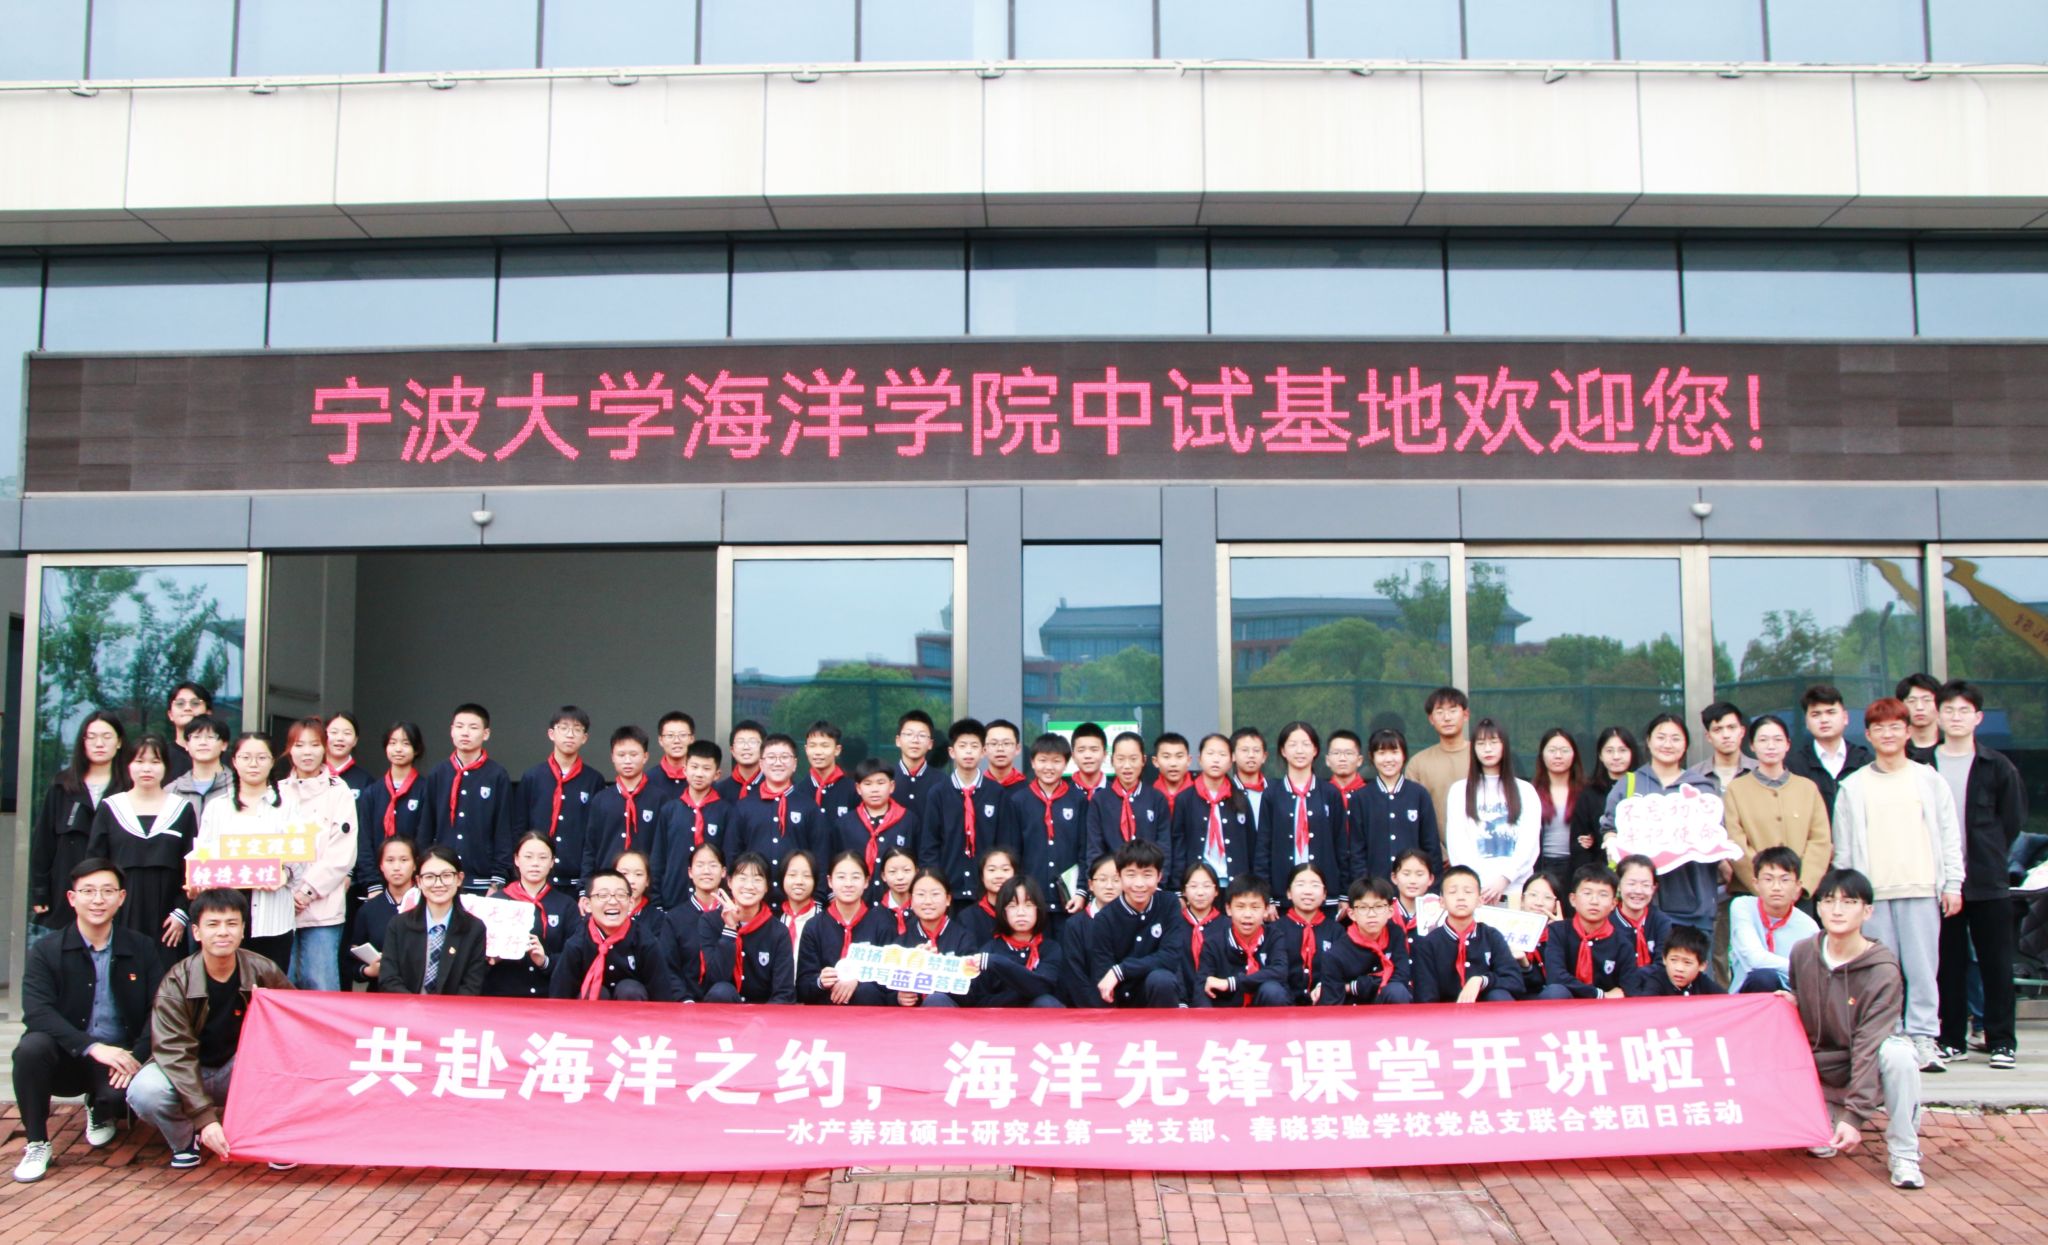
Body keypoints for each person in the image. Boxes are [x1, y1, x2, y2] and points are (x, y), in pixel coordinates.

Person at [13, 859, 167, 1183]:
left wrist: (136, 1057)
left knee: (119, 1096)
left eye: (107, 891)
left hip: (118, 1056)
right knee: (30, 1049)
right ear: (72, 898)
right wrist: (92, 1047)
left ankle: (100, 1107)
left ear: (121, 898)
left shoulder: (141, 947)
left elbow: (159, 1009)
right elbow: (37, 1012)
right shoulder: (46, 950)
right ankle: (37, 1143)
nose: (98, 900)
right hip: (67, 1055)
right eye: (88, 891)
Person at [1832, 697, 1963, 1073]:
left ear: (1908, 732)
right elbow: (1844, 850)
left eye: (1894, 727)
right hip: (1873, 895)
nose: (1887, 734)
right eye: (1879, 728)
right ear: (1868, 735)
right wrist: (1849, 898)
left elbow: (1949, 834)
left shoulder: (1928, 780)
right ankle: (1890, 1037)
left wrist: (1953, 882)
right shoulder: (1853, 786)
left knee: (1923, 969)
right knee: (1880, 971)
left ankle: (1924, 1036)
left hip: (1921, 888)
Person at [125, 888, 293, 1171]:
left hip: (240, 1068)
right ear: (197, 932)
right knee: (145, 1091)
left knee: (287, 1067)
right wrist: (205, 1119)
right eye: (213, 924)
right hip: (191, 1069)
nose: (223, 932)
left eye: (231, 923)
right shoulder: (176, 981)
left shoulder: (263, 970)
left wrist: (263, 1011)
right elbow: (174, 1053)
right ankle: (185, 1139)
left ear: (243, 929)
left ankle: (268, 1137)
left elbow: (292, 1025)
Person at [1790, 867, 1926, 1189]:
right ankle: (1824, 1115)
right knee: (1819, 1144)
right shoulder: (1802, 953)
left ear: (1867, 911)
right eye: (1829, 901)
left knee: (1898, 1054)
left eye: (1849, 902)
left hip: (1865, 1070)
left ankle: (1904, 1153)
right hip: (1820, 1072)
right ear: (1818, 907)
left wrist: (1855, 1116)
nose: (1837, 910)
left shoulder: (1883, 970)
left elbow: (1868, 1044)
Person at [1932, 680, 2026, 1069]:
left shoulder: (1997, 765)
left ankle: (2001, 1040)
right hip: (1940, 882)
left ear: (1978, 718)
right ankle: (1951, 1039)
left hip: (1988, 881)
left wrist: (1987, 856)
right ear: (1938, 716)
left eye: (1964, 710)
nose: (1956, 717)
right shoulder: (1923, 765)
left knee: (1996, 964)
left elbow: (2012, 820)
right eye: (1949, 710)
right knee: (1947, 964)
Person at [1602, 713, 1718, 936]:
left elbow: (1714, 835)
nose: (1667, 744)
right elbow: (1609, 827)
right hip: (1640, 905)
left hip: (1694, 901)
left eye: (1675, 738)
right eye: (1661, 737)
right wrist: (1611, 841)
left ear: (1686, 744)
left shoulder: (1701, 788)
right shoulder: (1629, 784)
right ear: (1648, 740)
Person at [187, 733, 294, 971]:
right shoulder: (217, 807)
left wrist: (284, 873)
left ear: (272, 761)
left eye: (261, 757)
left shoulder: (288, 806)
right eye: (246, 757)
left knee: (268, 983)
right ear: (234, 761)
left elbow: (301, 857)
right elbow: (203, 855)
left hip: (272, 915)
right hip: (224, 914)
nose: (253, 764)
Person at [87, 735, 198, 961]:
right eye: (139, 761)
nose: (147, 768)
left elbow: (191, 869)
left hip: (168, 919)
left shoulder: (182, 809)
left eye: (155, 762)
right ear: (128, 765)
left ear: (165, 766)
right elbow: (95, 865)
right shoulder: (111, 808)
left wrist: (181, 913)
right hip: (120, 912)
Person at [277, 718, 359, 991]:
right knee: (282, 984)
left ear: (324, 748)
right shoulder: (276, 792)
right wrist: (288, 891)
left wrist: (307, 891)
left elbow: (342, 852)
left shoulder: (339, 791)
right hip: (281, 903)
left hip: (323, 905)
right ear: (289, 749)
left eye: (314, 745)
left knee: (321, 983)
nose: (307, 752)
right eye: (299, 745)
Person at [31, 711, 128, 934]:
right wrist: (40, 891)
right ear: (82, 742)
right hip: (64, 893)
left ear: (119, 742)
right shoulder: (62, 786)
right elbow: (43, 843)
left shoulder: (129, 787)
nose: (99, 743)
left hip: (114, 897)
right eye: (91, 737)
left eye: (106, 736)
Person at [1724, 715, 1833, 904]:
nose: (1771, 746)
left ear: (1787, 744)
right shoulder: (1736, 789)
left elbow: (1820, 841)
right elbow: (1736, 841)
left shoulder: (1807, 788)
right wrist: (1764, 884)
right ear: (1752, 745)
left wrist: (1799, 885)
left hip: (1799, 895)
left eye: (1777, 740)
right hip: (1752, 893)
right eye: (1763, 740)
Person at [1444, 718, 1540, 908]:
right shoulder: (1459, 791)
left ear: (1504, 745)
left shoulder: (1525, 790)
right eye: (1481, 743)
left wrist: (1504, 879)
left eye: (1494, 742)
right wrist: (1477, 884)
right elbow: (1457, 844)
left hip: (1516, 891)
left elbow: (1529, 844)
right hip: (1475, 893)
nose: (1487, 749)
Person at [550, 869, 686, 1001]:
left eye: (620, 895)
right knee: (594, 992)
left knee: (629, 990)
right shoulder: (577, 943)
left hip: (636, 1013)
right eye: (603, 895)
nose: (613, 902)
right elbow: (559, 996)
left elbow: (662, 995)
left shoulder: (646, 941)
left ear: (631, 903)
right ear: (587, 904)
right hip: (588, 1015)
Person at [727, 734, 828, 905]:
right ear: (761, 764)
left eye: (784, 757)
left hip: (797, 904)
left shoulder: (809, 807)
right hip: (753, 903)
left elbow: (820, 856)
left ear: (795, 764)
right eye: (771, 757)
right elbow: (732, 853)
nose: (778, 763)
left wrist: (817, 899)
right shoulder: (743, 807)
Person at [421, 703, 512, 893]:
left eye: (473, 727)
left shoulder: (497, 775)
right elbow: (426, 827)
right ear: (451, 731)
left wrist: (498, 879)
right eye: (460, 726)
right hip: (441, 878)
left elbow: (503, 829)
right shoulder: (438, 773)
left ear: (486, 734)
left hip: (482, 878)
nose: (465, 733)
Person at [374, 845, 488, 995]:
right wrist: (414, 1005)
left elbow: (472, 985)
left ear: (459, 879)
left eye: (446, 875)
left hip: (454, 1009)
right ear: (419, 881)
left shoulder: (474, 928)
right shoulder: (398, 925)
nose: (438, 884)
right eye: (429, 877)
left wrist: (442, 1009)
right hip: (406, 1007)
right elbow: (389, 978)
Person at [513, 707, 605, 892]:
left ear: (584, 737)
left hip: (575, 880)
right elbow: (519, 827)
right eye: (564, 728)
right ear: (551, 734)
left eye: (577, 729)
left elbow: (594, 834)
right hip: (536, 878)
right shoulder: (533, 776)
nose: (570, 735)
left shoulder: (593, 780)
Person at [1088, 838, 1182, 1008]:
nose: (1139, 884)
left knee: (1162, 979)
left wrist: (1121, 970)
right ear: (1119, 876)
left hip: (1157, 995)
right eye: (1131, 875)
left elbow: (1170, 957)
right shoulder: (1104, 919)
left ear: (1159, 876)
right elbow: (1104, 974)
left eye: (1147, 874)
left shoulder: (1169, 904)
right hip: (1121, 1001)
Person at [485, 833, 578, 998]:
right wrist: (492, 955)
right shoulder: (497, 901)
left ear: (552, 862)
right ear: (516, 859)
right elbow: (476, 953)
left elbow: (575, 956)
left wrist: (545, 961)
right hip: (502, 994)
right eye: (528, 857)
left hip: (549, 995)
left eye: (543, 857)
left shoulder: (566, 905)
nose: (535, 863)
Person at [797, 852, 897, 1006]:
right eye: (841, 877)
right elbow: (803, 986)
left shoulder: (882, 924)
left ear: (866, 882)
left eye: (855, 877)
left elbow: (891, 980)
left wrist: (859, 980)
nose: (848, 884)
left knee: (866, 991)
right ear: (830, 881)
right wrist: (820, 982)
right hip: (825, 1012)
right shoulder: (814, 926)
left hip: (868, 1010)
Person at [1001, 733, 1088, 911]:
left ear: (1066, 763)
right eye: (1042, 760)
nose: (1049, 767)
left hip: (1069, 899)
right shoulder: (1019, 801)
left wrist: (1081, 890)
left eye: (1056, 761)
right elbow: (1012, 851)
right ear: (1032, 763)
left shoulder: (1078, 800)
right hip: (1030, 899)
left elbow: (1085, 849)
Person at [1412, 866, 1523, 1003]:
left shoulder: (1492, 936)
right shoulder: (1427, 944)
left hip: (1487, 1012)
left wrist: (1482, 981)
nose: (1461, 898)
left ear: (1480, 900)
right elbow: (1425, 997)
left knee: (1498, 995)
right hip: (1444, 1014)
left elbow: (1515, 982)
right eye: (1453, 892)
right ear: (1442, 902)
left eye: (1468, 892)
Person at [921, 718, 1002, 908]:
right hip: (948, 890)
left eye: (974, 746)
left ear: (983, 752)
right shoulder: (938, 793)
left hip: (987, 892)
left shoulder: (996, 793)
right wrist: (934, 886)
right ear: (952, 752)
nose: (968, 752)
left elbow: (1005, 844)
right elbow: (929, 846)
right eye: (962, 746)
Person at [1268, 722, 1348, 909]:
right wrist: (1267, 896)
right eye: (1292, 744)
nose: (1299, 750)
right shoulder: (1272, 794)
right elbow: (1263, 847)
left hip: (1325, 892)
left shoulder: (1330, 793)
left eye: (1306, 744)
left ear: (1315, 750)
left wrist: (1344, 893)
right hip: (1282, 892)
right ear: (1283, 751)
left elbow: (1341, 845)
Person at [703, 853, 797, 1004]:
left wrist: (759, 1017)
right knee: (721, 991)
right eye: (742, 878)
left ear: (767, 887)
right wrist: (729, 929)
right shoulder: (710, 921)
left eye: (757, 879)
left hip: (764, 1015)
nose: (749, 886)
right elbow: (713, 980)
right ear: (729, 882)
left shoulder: (778, 931)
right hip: (724, 1013)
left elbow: (783, 992)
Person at [1352, 727, 1440, 885]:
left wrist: (1432, 888)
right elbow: (1357, 849)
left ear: (1404, 755)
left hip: (1413, 886)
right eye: (1381, 753)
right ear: (1371, 756)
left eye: (1394, 752)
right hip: (1375, 889)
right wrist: (1363, 886)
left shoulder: (1419, 794)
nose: (1388, 759)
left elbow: (1431, 846)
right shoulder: (1361, 797)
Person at [647, 739, 728, 908]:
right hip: (673, 898)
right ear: (685, 770)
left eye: (706, 769)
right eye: (694, 767)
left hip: (714, 903)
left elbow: (730, 857)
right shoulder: (669, 810)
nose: (699, 774)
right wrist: (656, 901)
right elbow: (658, 859)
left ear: (717, 774)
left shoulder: (726, 812)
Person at [1169, 734, 1256, 889]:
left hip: (1236, 884)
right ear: (1200, 759)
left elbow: (1252, 845)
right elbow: (1178, 846)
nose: (1216, 760)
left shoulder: (1241, 798)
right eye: (1210, 753)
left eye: (1222, 754)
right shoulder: (1185, 799)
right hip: (1199, 886)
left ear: (1231, 760)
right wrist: (1178, 887)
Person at [1728, 846, 1819, 993]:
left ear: (1797, 886)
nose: (1776, 887)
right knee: (1763, 977)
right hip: (1747, 993)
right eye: (1768, 879)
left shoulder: (1809, 927)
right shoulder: (1742, 906)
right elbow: (1754, 959)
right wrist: (1796, 967)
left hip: (1790, 995)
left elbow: (1812, 974)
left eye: (1785, 880)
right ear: (1756, 883)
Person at [354, 722, 427, 898]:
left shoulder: (425, 790)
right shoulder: (372, 792)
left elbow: (425, 839)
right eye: (392, 743)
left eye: (406, 743)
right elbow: (364, 840)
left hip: (414, 885)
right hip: (376, 884)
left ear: (416, 749)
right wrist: (372, 884)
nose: (398, 749)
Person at [1538, 865, 1633, 999]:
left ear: (1613, 903)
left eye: (1603, 895)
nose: (1594, 901)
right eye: (1587, 893)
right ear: (1573, 899)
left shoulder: (1623, 941)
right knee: (1555, 992)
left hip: (1608, 1009)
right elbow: (1556, 976)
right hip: (1567, 1005)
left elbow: (1628, 987)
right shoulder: (1558, 931)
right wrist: (1599, 995)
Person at [973, 875, 1067, 1008]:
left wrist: (997, 963)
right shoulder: (989, 950)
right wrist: (1027, 991)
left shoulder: (1050, 949)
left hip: (1040, 1019)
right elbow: (980, 1002)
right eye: (1012, 906)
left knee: (1046, 1002)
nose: (1021, 913)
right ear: (1003, 911)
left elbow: (1042, 987)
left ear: (1038, 909)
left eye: (1028, 905)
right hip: (999, 1019)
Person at [1317, 876, 1413, 1006]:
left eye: (1379, 906)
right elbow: (1332, 1002)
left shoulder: (1396, 934)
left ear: (1390, 911)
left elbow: (1401, 975)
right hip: (1352, 1013)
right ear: (1351, 914)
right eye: (1363, 908)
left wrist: (1353, 987)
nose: (1371, 914)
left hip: (1388, 1008)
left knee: (1397, 990)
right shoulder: (1335, 955)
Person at [1197, 876, 1291, 1008]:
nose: (1247, 914)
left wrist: (1232, 983)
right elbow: (1203, 987)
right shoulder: (1213, 943)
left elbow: (1280, 971)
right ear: (1228, 909)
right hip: (1225, 1016)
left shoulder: (1274, 937)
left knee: (1272, 990)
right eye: (1240, 907)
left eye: (1255, 907)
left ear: (1266, 909)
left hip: (1265, 1012)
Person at [893, 868, 980, 1007]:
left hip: (949, 1014)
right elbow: (886, 987)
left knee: (936, 1000)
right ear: (911, 900)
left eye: (935, 894)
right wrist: (899, 997)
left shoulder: (964, 939)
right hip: (910, 1017)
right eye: (921, 894)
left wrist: (936, 967)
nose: (928, 901)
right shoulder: (902, 943)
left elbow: (972, 992)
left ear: (948, 899)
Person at [582, 725, 658, 880]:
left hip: (644, 884)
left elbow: (661, 851)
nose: (627, 760)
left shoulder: (659, 799)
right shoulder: (601, 799)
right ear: (612, 757)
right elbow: (590, 848)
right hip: (607, 882)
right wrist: (585, 885)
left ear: (645, 756)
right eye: (621, 755)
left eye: (634, 754)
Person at [829, 758, 915, 890]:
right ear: (858, 788)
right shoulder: (844, 824)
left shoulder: (908, 820)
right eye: (868, 784)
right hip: (855, 898)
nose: (875, 789)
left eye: (881, 783)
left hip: (895, 897)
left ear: (892, 786)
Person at [1787, 684, 1871, 819]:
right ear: (1807, 722)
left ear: (1845, 717)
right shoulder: (1794, 766)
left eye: (1831, 712)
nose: (1824, 720)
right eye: (1816, 714)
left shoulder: (1865, 761)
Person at [1088, 730, 1171, 864]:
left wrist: (1161, 877)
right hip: (1112, 875)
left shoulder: (1157, 798)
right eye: (1120, 759)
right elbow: (1094, 848)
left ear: (1143, 760)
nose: (1127, 766)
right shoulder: (1100, 800)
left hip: (1148, 874)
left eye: (1133, 759)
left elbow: (1164, 846)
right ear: (1112, 761)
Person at [349, 836, 418, 988]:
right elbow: (352, 961)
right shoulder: (368, 910)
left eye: (404, 860)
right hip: (380, 991)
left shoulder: (427, 904)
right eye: (390, 860)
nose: (397, 867)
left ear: (415, 865)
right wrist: (368, 971)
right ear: (381, 865)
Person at [662, 841, 729, 990]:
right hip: (685, 998)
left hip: (724, 997)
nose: (706, 871)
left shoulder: (733, 914)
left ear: (723, 872)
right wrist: (684, 999)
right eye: (700, 865)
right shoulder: (674, 918)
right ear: (690, 872)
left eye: (713, 865)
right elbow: (668, 968)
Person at [1573, 727, 1638, 877]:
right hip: (1601, 876)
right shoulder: (1589, 793)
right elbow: (1580, 842)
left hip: (1637, 873)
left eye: (1622, 750)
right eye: (1609, 751)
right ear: (1600, 755)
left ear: (1632, 753)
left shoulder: (1643, 788)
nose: (1616, 756)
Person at [1405, 686, 1472, 824]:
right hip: (1432, 838)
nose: (1447, 718)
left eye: (1453, 711)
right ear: (1431, 719)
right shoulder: (1418, 763)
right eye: (1440, 712)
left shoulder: (1481, 757)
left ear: (1466, 715)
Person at [1164, 862, 1225, 1007]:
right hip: (1180, 1002)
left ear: (1216, 891)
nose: (1200, 892)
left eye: (1206, 886)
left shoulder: (1227, 926)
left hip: (1219, 1003)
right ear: (1184, 891)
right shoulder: (1173, 924)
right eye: (1193, 886)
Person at [1276, 864, 1337, 1003]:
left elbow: (1340, 970)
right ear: (1289, 893)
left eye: (1315, 885)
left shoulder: (1336, 931)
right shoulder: (1275, 930)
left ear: (1324, 894)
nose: (1308, 891)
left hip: (1323, 1004)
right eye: (1300, 884)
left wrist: (1324, 986)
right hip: (1284, 1003)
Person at [1532, 729, 1585, 884]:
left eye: (1564, 750)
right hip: (1540, 866)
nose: (1558, 756)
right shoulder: (1530, 792)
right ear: (1542, 755)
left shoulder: (1586, 792)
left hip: (1576, 866)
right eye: (1552, 750)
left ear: (1574, 755)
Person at [1612, 854, 1672, 977]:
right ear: (1618, 885)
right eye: (1631, 883)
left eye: (1645, 885)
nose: (1638, 891)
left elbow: (1664, 964)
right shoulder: (1606, 921)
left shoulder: (1661, 922)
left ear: (1654, 888)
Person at [1626, 925, 1725, 997]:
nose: (1679, 968)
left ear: (1702, 966)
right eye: (1674, 960)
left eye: (1687, 962)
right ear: (1664, 959)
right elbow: (1646, 1006)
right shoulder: (1656, 981)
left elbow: (1725, 1001)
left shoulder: (1702, 982)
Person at [167, 713, 232, 813]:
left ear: (224, 745)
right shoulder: (172, 790)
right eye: (196, 737)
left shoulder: (238, 787)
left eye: (210, 737)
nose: (203, 742)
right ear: (186, 745)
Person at [957, 848, 1020, 946]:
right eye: (992, 870)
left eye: (1005, 869)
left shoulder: (1024, 912)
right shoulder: (968, 917)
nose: (999, 876)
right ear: (982, 876)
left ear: (1015, 874)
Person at [801, 720, 856, 822]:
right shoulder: (798, 791)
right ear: (806, 749)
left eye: (824, 746)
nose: (818, 752)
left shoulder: (853, 790)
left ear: (837, 750)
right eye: (812, 746)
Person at [892, 710, 943, 816]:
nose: (915, 740)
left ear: (930, 744)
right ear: (898, 741)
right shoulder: (885, 779)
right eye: (909, 734)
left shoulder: (943, 782)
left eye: (922, 735)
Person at [1229, 727, 1272, 840]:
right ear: (1233, 755)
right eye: (1244, 750)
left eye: (1256, 750)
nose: (1251, 755)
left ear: (1264, 757)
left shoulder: (1275, 790)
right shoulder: (1226, 792)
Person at [646, 711, 698, 805]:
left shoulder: (701, 778)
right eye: (670, 735)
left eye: (683, 735)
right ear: (660, 740)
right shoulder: (648, 780)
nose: (676, 741)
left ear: (692, 739)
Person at [162, 683, 212, 781]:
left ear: (208, 712)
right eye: (180, 704)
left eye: (195, 703)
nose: (187, 708)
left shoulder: (224, 757)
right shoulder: (161, 756)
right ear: (170, 714)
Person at [712, 719, 766, 805]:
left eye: (753, 742)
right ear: (732, 750)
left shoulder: (772, 786)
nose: (746, 747)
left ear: (764, 749)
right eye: (740, 742)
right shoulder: (719, 790)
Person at [777, 850, 821, 954]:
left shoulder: (823, 922)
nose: (799, 881)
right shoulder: (776, 922)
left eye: (807, 876)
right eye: (792, 875)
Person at [1896, 673, 1944, 762]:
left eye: (1927, 700)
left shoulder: (1950, 744)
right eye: (1912, 701)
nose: (1919, 707)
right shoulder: (1895, 747)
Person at [1389, 849, 1435, 938]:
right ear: (1394, 877)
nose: (1412, 881)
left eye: (1419, 874)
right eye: (1406, 874)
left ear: (1430, 879)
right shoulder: (1385, 912)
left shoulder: (1439, 913)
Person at [323, 712, 371, 792]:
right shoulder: (311, 774)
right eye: (334, 732)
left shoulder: (365, 781)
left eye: (347, 733)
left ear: (355, 740)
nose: (340, 738)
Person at [1067, 721, 1110, 804]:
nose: (1087, 756)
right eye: (1081, 750)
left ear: (1104, 755)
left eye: (1094, 750)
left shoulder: (1117, 794)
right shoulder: (1063, 794)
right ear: (1073, 756)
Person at [1151, 732, 1193, 815]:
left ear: (1188, 760)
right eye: (1166, 757)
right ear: (1155, 761)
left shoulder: (1199, 795)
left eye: (1179, 756)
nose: (1173, 763)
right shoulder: (1149, 796)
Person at [982, 719, 1025, 788]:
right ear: (984, 750)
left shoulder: (1029, 789)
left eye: (1006, 743)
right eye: (994, 743)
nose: (1000, 749)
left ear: (1017, 749)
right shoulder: (975, 788)